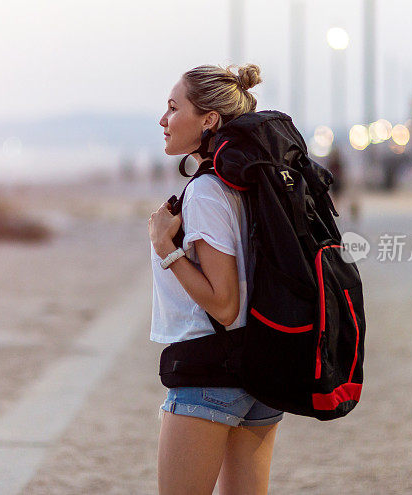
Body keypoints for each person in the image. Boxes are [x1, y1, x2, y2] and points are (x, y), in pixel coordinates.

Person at [148, 63, 283, 495]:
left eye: (173, 108)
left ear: (208, 120)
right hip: (261, 373)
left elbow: (223, 302)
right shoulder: (248, 185)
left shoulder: (207, 191)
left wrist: (164, 247)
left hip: (210, 374)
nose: (164, 119)